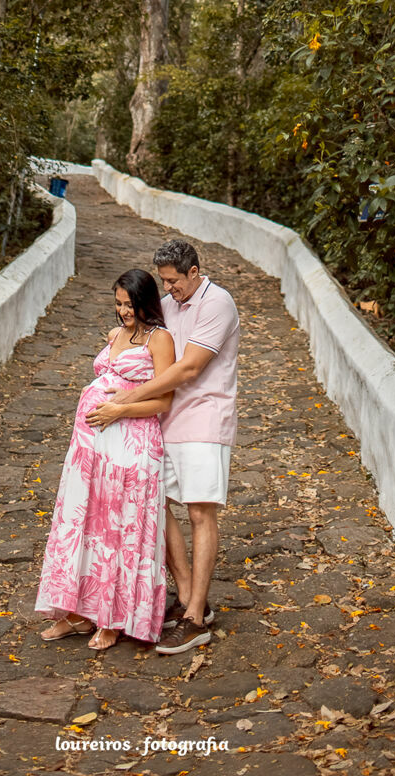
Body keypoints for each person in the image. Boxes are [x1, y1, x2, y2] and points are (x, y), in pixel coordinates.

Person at [87, 237, 239, 655]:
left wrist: (127, 399)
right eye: (164, 282)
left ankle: (193, 621)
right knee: (158, 504)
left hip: (205, 418)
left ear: (194, 272)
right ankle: (191, 596)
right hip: (163, 421)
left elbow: (188, 367)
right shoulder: (170, 304)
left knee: (199, 511)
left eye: (174, 281)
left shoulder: (217, 303)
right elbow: (145, 335)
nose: (169, 289)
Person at [35, 269, 175, 651]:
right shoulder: (115, 335)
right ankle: (78, 612)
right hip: (91, 447)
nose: (123, 311)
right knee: (84, 524)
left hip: (131, 445)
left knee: (117, 529)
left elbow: (163, 401)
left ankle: (113, 618)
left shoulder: (160, 340)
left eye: (129, 305)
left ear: (146, 302)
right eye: (118, 304)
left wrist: (118, 411)